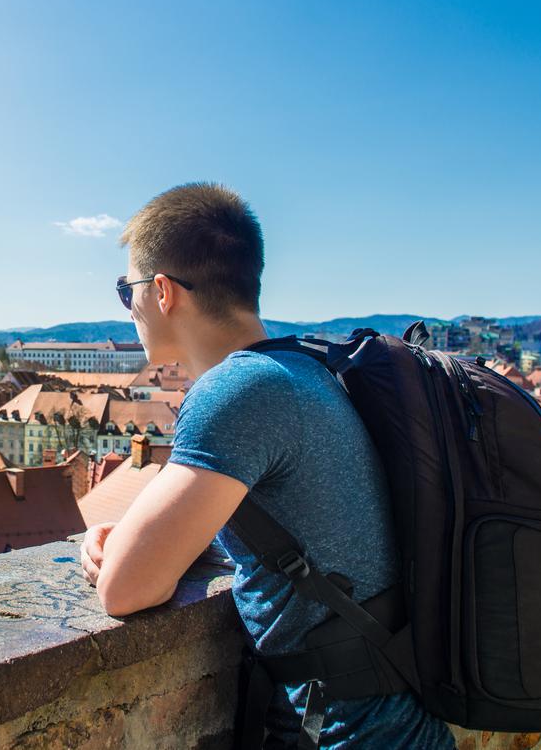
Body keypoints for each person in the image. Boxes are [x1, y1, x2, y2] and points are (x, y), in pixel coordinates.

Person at [79, 182, 453, 748]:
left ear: (161, 292)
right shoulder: (303, 369)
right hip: (392, 718)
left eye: (124, 288)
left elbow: (125, 590)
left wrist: (121, 553)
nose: (126, 306)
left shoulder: (237, 391)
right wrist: (149, 535)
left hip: (349, 732)